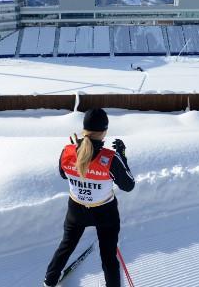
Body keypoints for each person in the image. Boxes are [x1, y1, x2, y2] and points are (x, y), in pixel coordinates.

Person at [44, 108, 135, 287]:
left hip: (76, 210)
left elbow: (64, 174)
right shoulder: (110, 158)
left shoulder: (67, 151)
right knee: (108, 257)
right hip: (105, 214)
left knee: (66, 246)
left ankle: (50, 280)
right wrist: (123, 157)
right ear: (104, 131)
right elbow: (128, 185)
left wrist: (77, 153)